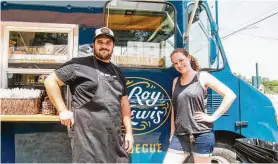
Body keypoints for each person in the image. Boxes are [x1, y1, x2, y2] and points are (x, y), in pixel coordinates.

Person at [44, 27, 133, 163]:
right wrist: (62, 110)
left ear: (113, 46)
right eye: (100, 42)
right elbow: (50, 81)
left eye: (108, 43)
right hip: (87, 139)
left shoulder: (118, 72)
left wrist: (129, 132)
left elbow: (124, 103)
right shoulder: (79, 65)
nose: (104, 46)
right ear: (94, 45)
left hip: (113, 138)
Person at [163, 48, 236, 164]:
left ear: (189, 58)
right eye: (175, 63)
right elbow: (174, 108)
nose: (179, 65)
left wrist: (212, 117)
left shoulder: (202, 76)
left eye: (181, 60)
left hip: (202, 134)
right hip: (180, 134)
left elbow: (230, 95)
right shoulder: (175, 81)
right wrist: (172, 133)